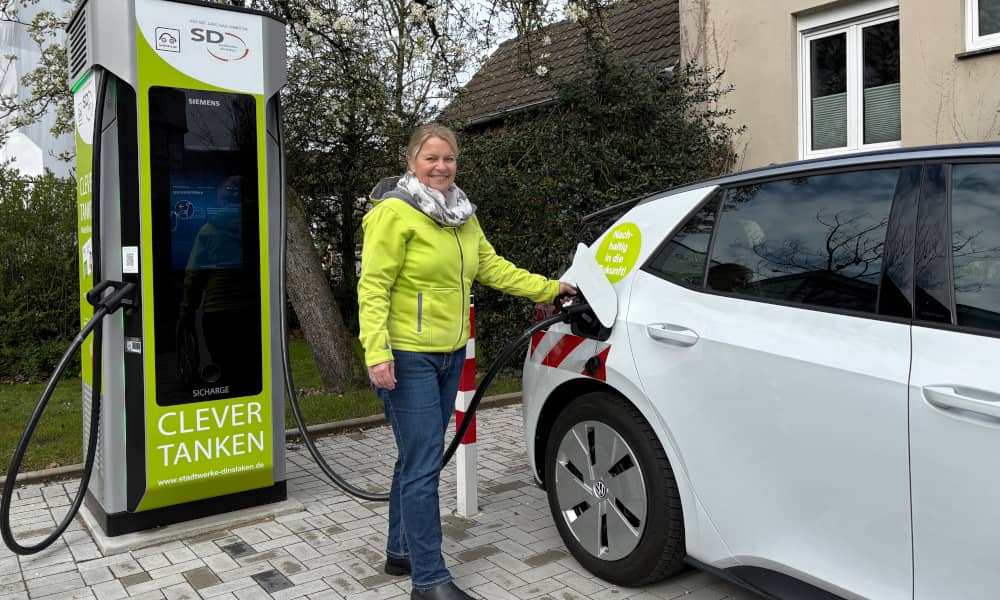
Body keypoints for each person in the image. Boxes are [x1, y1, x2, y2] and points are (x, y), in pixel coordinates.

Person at [358, 124, 575, 600]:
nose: (440, 167)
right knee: (423, 465)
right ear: (412, 161)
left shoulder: (461, 214)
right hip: (406, 355)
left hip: (450, 351)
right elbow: (372, 287)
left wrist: (550, 287)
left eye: (449, 158)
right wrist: (377, 353)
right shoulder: (393, 214)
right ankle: (430, 581)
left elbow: (491, 267)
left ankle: (401, 551)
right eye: (430, 158)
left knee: (416, 457)